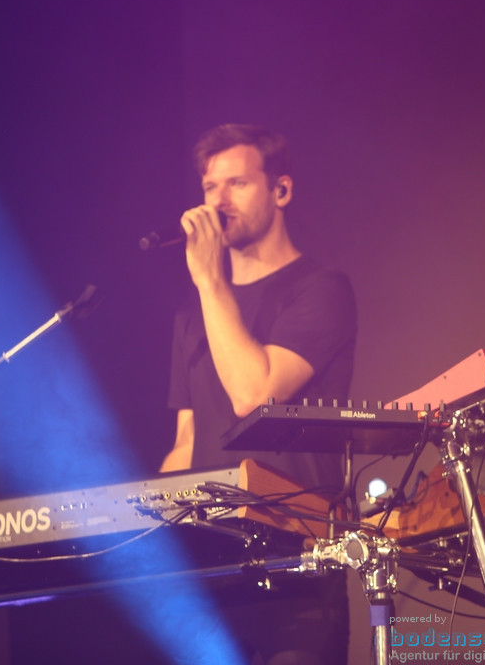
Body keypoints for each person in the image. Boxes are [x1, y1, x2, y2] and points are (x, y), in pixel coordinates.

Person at [162, 123, 357, 664]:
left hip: (295, 569)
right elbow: (188, 443)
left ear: (281, 191)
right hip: (211, 574)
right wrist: (142, 525)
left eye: (237, 184)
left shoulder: (321, 289)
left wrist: (209, 281)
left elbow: (254, 394)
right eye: (208, 188)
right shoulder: (191, 315)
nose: (218, 201)